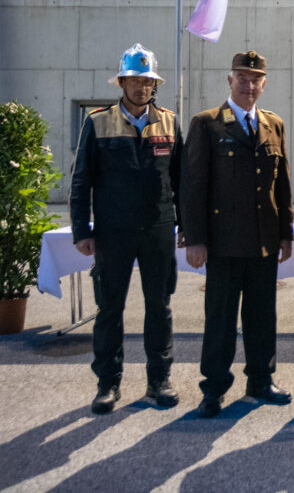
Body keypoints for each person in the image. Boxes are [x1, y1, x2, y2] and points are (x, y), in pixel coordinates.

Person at [69, 44, 182, 414]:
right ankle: (108, 383)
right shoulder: (97, 122)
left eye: (147, 81)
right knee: (109, 309)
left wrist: (187, 227)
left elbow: (182, 181)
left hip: (158, 229)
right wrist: (81, 230)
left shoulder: (169, 122)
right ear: (121, 82)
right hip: (112, 232)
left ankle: (159, 380)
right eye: (134, 80)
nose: (141, 87)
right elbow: (81, 181)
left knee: (159, 307)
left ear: (154, 84)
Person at [181, 50, 294, 418]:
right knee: (220, 320)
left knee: (262, 317)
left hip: (264, 241)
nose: (249, 85)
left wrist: (285, 233)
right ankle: (213, 388)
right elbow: (192, 185)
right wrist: (194, 238)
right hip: (223, 243)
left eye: (255, 79)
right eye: (242, 78)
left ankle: (261, 380)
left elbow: (282, 185)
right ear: (230, 81)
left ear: (264, 83)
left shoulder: (273, 124)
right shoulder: (207, 123)